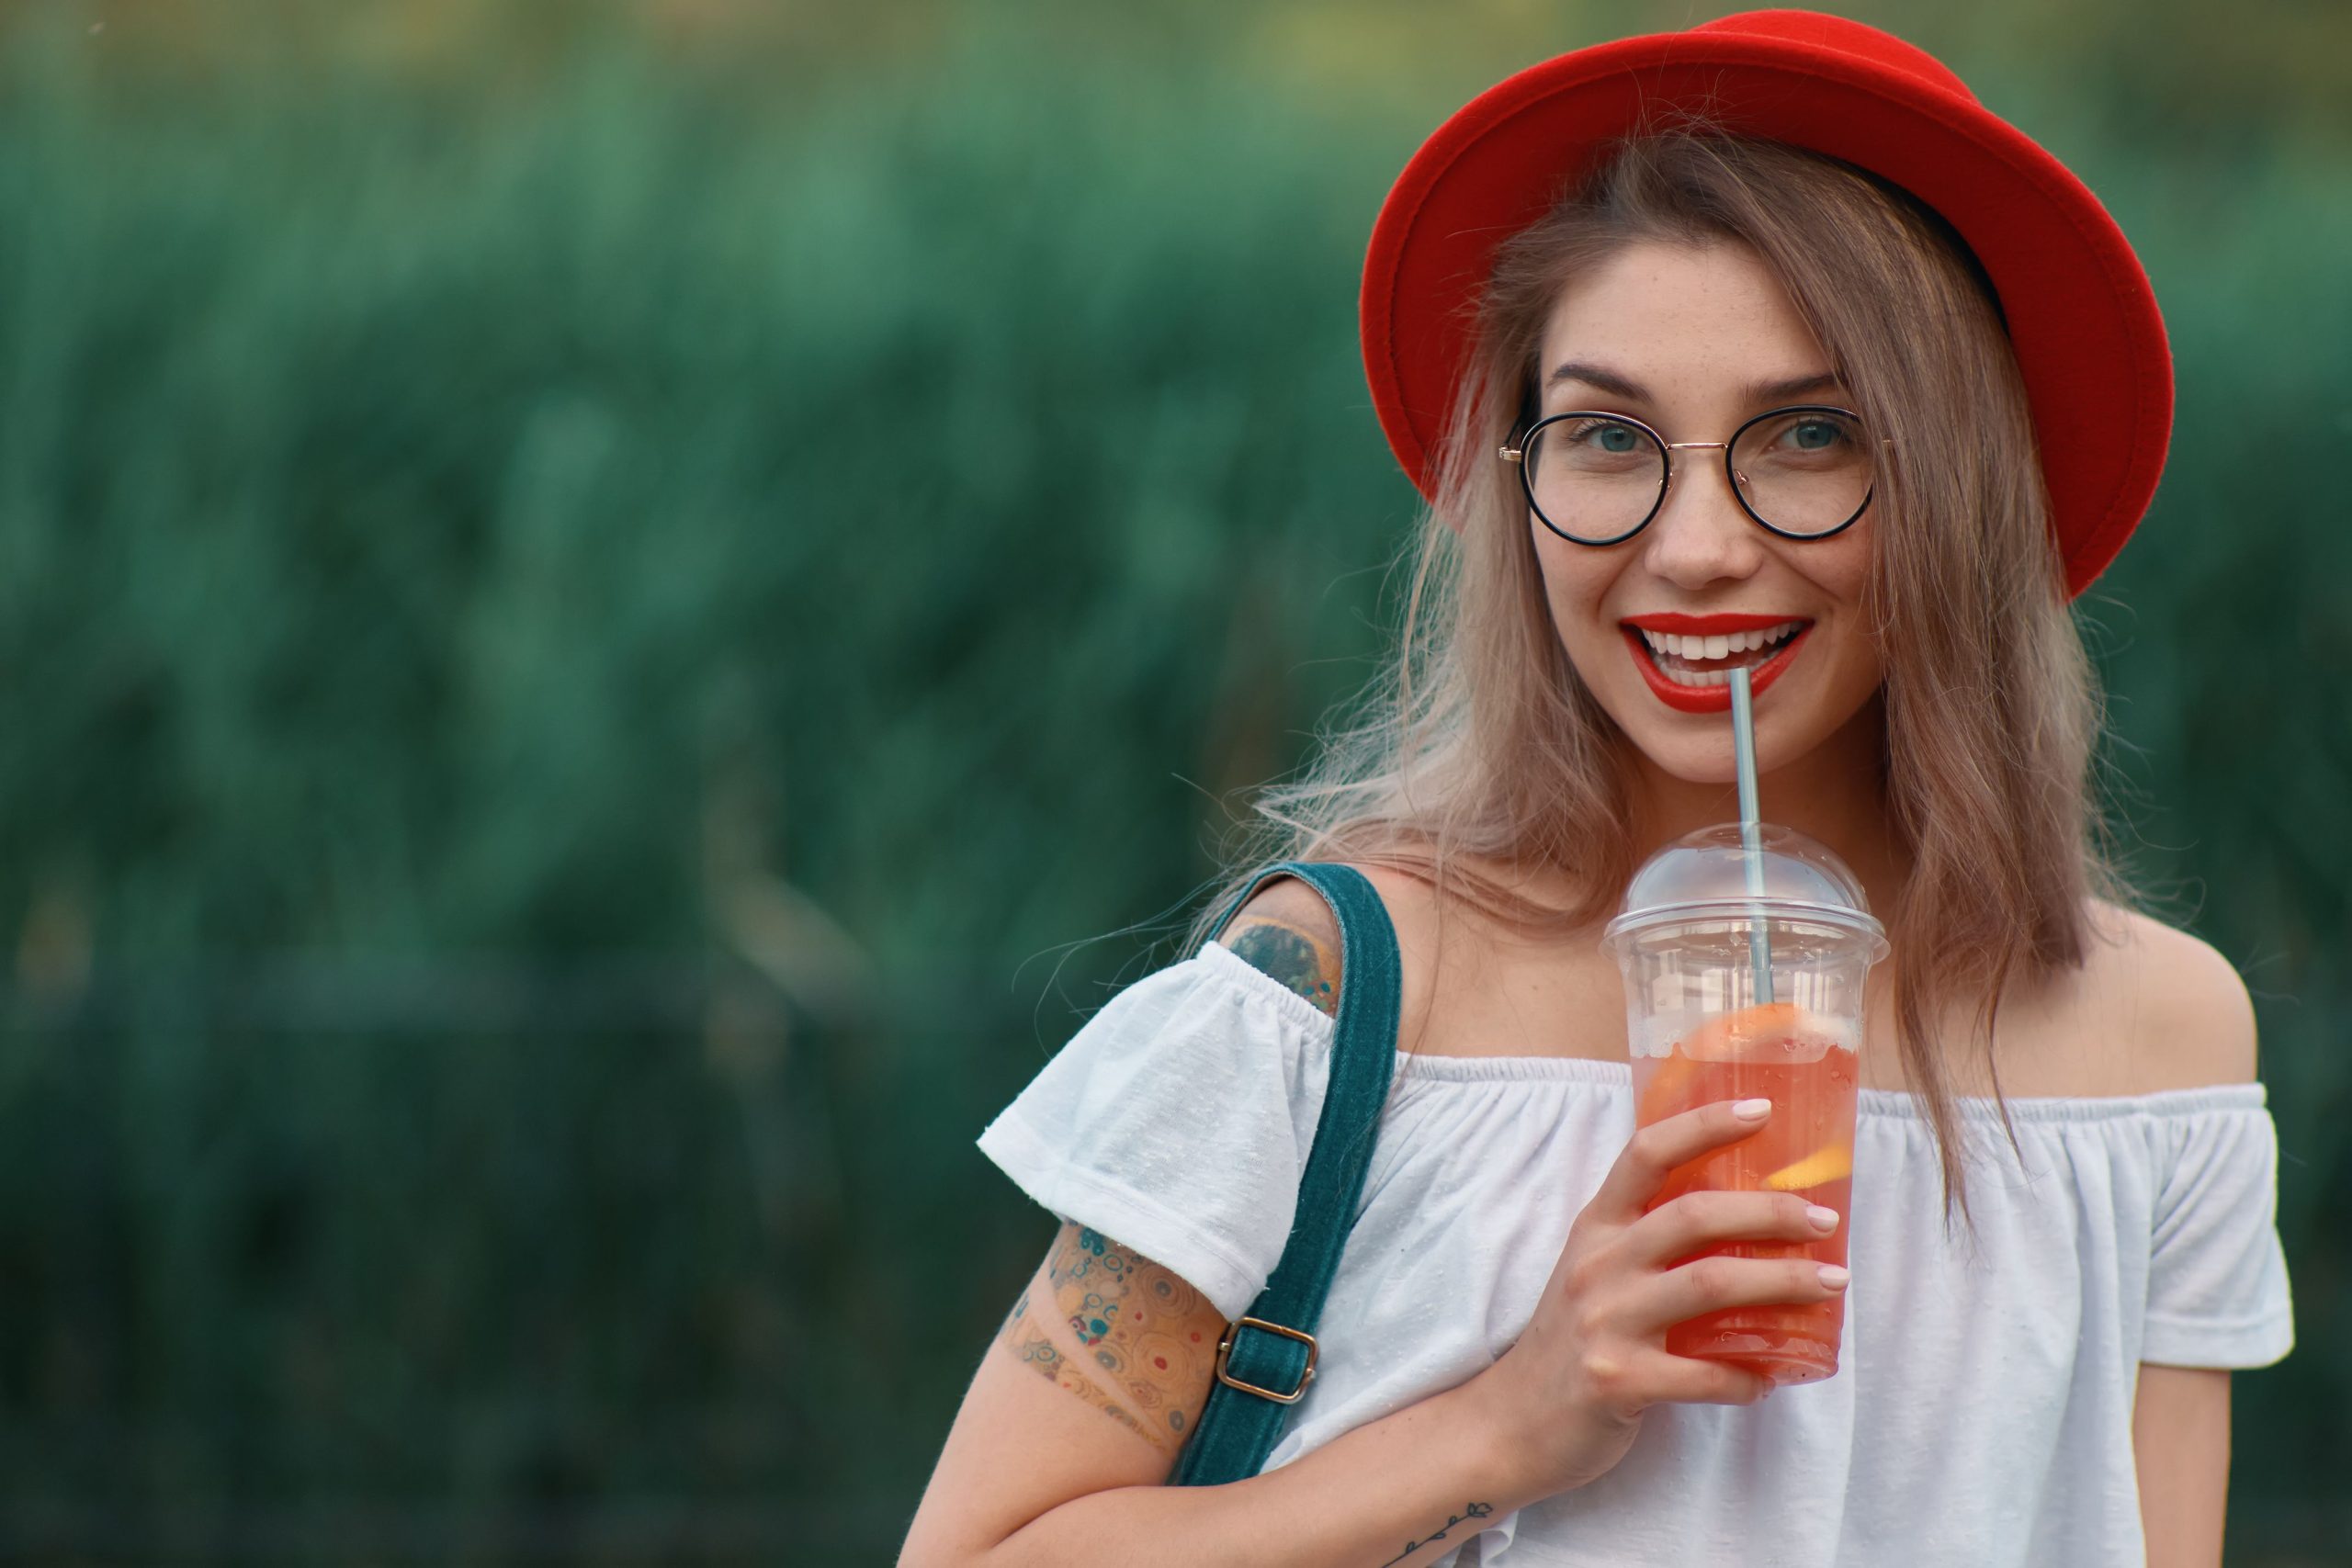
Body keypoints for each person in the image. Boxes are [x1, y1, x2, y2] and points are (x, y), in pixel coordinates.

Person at [898, 13, 2292, 1567]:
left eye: (1812, 434)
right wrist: (1511, 1422)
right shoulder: (1340, 992)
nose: (1693, 546)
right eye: (1609, 437)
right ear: (1523, 474)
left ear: (1960, 484)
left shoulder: (2162, 1047)